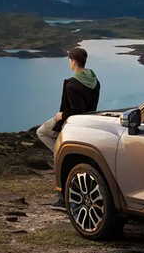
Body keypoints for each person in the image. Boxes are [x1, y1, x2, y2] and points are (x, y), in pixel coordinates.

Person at [37, 47, 100, 208]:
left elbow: (76, 111)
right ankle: (62, 155)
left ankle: (61, 156)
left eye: (69, 60)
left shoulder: (73, 85)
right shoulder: (94, 80)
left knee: (42, 132)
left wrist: (62, 116)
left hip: (72, 121)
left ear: (73, 61)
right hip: (89, 120)